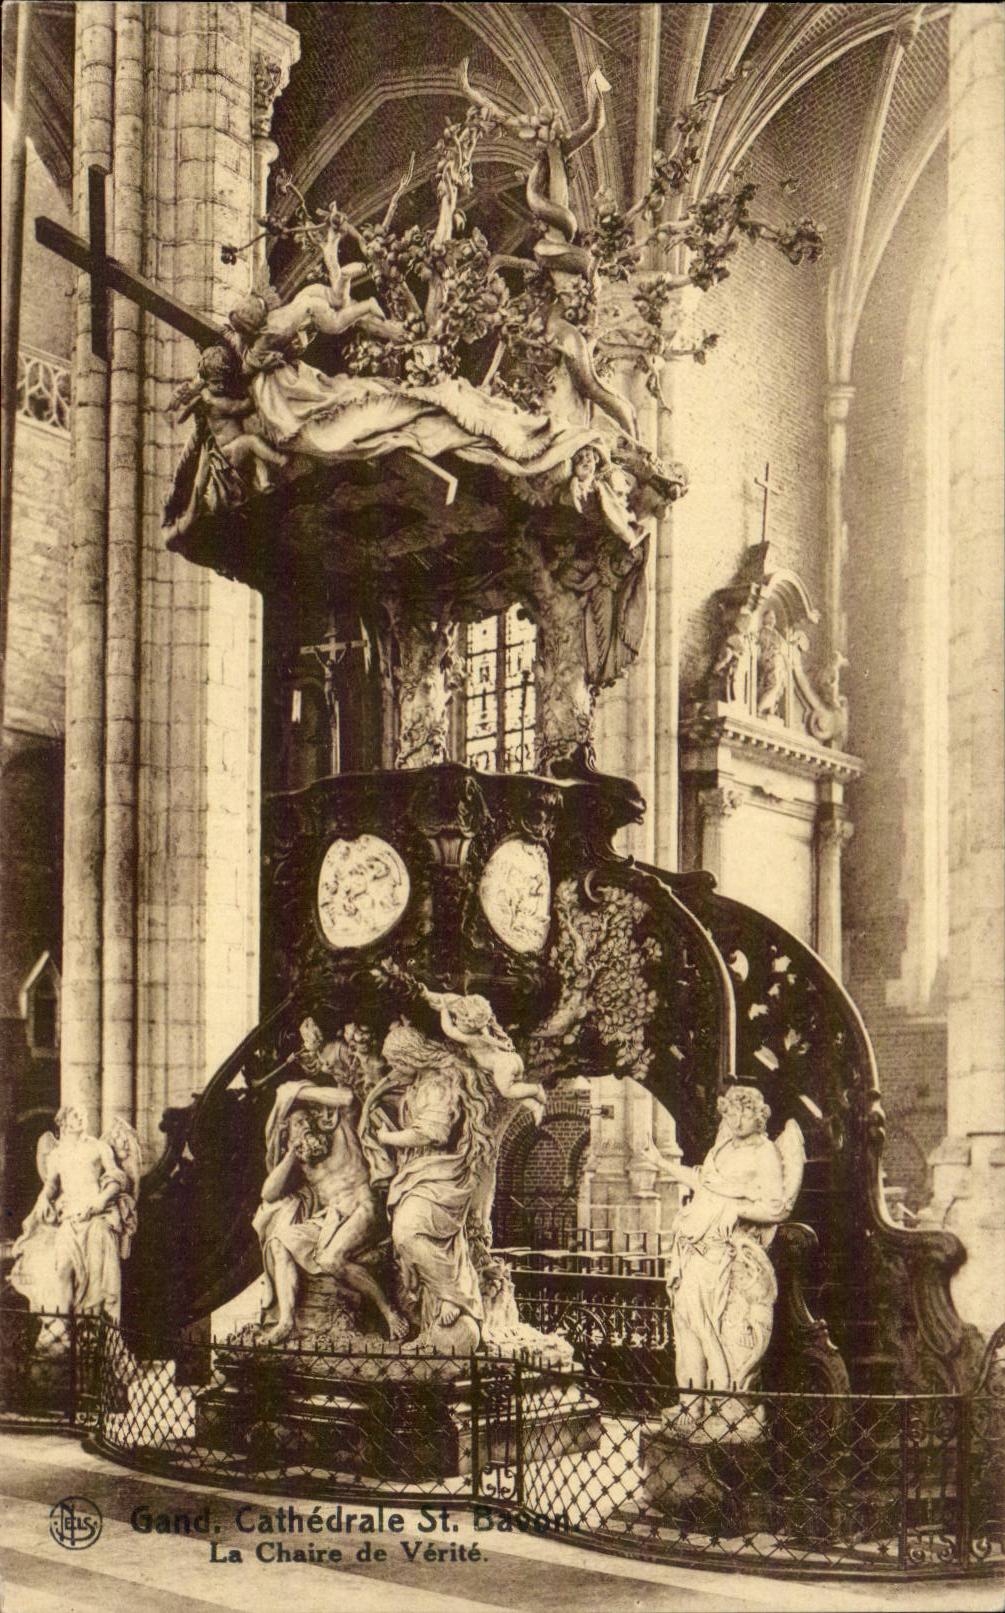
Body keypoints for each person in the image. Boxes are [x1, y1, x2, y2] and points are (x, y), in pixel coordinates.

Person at [662, 1084, 804, 1435]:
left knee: (720, 1331)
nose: (736, 1120)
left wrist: (731, 1209)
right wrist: (657, 1161)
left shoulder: (765, 1153)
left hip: (726, 1254)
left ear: (759, 1116)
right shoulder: (722, 1148)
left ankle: (728, 1408)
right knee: (688, 1325)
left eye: (745, 1112)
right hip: (693, 1246)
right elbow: (704, 1184)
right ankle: (689, 1405)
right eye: (730, 1112)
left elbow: (777, 1207)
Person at [253, 1077, 406, 1345]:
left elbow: (346, 1098)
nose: (308, 1126)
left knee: (330, 1259)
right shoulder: (302, 1162)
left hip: (363, 1206)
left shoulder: (341, 1129)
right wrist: (292, 1152)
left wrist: (295, 1092)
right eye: (299, 1124)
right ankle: (287, 1322)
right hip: (330, 1218)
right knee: (279, 1242)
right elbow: (268, 1192)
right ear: (288, 1135)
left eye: (308, 1119)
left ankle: (388, 1311)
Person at [11, 1106, 140, 1324]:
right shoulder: (56, 1154)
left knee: (100, 1275)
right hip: (70, 1217)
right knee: (61, 1270)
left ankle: (97, 1331)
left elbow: (118, 1177)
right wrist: (43, 1198)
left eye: (83, 1115)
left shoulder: (99, 1147)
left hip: (98, 1216)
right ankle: (61, 1332)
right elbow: (51, 1184)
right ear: (63, 1122)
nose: (82, 1118)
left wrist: (99, 1201)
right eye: (76, 1115)